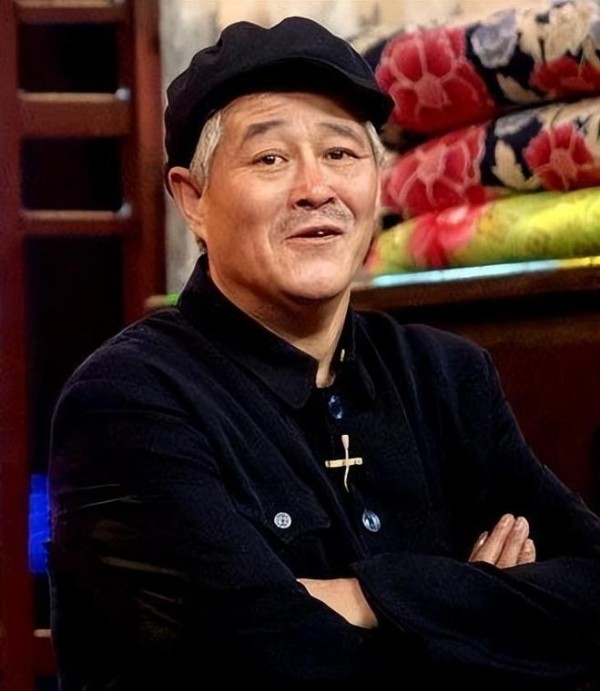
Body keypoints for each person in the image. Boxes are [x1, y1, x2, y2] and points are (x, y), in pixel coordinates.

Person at [47, 16, 600, 690]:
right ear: (192, 200)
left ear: (377, 184)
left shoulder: (448, 377)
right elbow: (261, 659)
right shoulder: (126, 400)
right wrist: (481, 603)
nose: (316, 187)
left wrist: (367, 596)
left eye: (341, 153)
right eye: (270, 159)